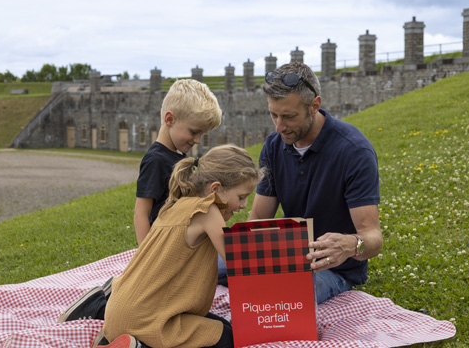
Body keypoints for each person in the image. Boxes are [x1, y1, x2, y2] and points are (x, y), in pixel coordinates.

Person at [58, 79, 223, 323]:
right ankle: (99, 306)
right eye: (194, 131)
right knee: (151, 298)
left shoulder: (180, 156)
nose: (197, 139)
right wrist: (146, 255)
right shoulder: (156, 160)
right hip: (161, 246)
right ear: (170, 119)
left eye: (201, 134)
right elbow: (141, 212)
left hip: (178, 242)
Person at [97, 144, 261, 348]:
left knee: (223, 328)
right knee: (226, 340)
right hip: (144, 318)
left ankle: (119, 340)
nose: (244, 205)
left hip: (119, 312)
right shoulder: (206, 210)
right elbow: (237, 261)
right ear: (215, 189)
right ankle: (140, 346)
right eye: (242, 197)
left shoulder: (175, 205)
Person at [248, 61, 383, 304]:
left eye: (288, 116)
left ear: (314, 106)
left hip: (333, 269)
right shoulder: (273, 145)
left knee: (285, 295)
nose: (279, 127)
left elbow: (372, 238)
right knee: (200, 264)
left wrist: (351, 244)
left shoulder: (354, 150)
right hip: (285, 254)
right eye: (273, 115)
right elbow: (258, 219)